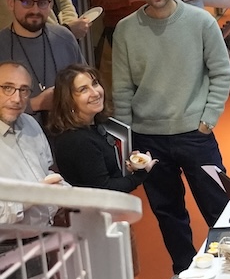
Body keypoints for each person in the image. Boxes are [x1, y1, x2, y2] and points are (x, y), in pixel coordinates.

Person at [113, 0, 230, 279]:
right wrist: (128, 140)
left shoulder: (200, 22)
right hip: (149, 138)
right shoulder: (125, 30)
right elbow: (121, 88)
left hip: (195, 134)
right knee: (168, 212)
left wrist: (208, 120)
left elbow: (221, 72)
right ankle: (183, 269)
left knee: (218, 204)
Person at [46, 63, 155, 192]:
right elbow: (105, 189)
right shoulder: (78, 140)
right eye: (83, 89)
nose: (95, 93)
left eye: (95, 83)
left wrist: (130, 164)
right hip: (94, 210)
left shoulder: (93, 124)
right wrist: (141, 174)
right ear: (67, 99)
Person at [0, 0, 85, 119]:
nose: (35, 10)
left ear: (51, 5)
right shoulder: (3, 44)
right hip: (16, 137)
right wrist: (35, 104)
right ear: (11, 3)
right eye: (26, 2)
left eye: (42, 2)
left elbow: (85, 84)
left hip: (67, 133)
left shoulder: (64, 37)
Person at [0, 61, 61, 228]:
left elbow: (45, 172)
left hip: (47, 235)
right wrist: (33, 196)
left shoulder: (30, 123)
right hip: (9, 248)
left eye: (24, 90)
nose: (17, 99)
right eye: (7, 88)